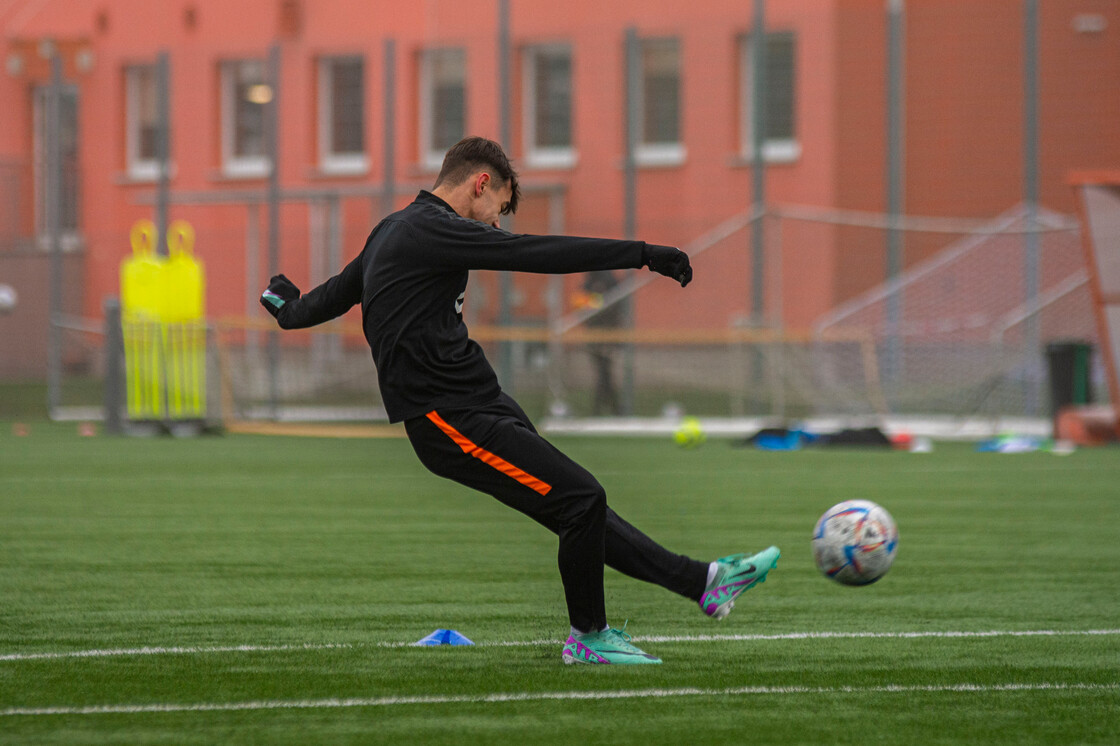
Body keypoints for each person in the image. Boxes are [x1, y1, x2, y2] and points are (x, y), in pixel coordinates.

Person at [260, 136, 779, 665]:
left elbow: (323, 300)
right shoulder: (432, 230)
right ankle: (589, 638)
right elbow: (538, 254)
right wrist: (643, 255)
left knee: (580, 510)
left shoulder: (394, 231)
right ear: (480, 183)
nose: (495, 226)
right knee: (580, 499)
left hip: (481, 401)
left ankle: (704, 582)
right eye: (498, 210)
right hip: (448, 420)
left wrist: (285, 306)